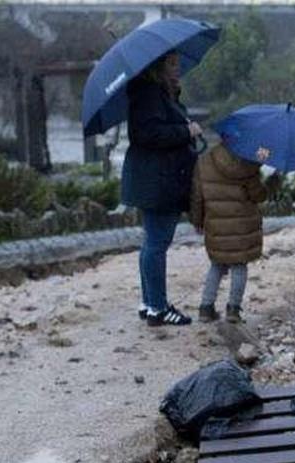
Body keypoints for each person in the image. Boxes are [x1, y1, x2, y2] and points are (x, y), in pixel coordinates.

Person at [123, 51, 203, 326]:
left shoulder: (159, 94)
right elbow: (147, 135)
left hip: (157, 179)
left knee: (152, 243)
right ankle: (158, 307)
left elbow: (156, 129)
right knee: (157, 244)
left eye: (178, 63)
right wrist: (186, 132)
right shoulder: (149, 95)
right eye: (172, 64)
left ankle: (149, 303)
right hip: (158, 181)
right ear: (157, 67)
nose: (177, 69)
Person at [189, 143, 278, 323]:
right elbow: (258, 195)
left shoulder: (204, 161)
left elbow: (197, 196)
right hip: (242, 226)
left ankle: (206, 309)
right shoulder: (248, 163)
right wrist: (273, 182)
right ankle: (233, 310)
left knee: (216, 265)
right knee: (239, 266)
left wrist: (197, 220)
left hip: (215, 223)